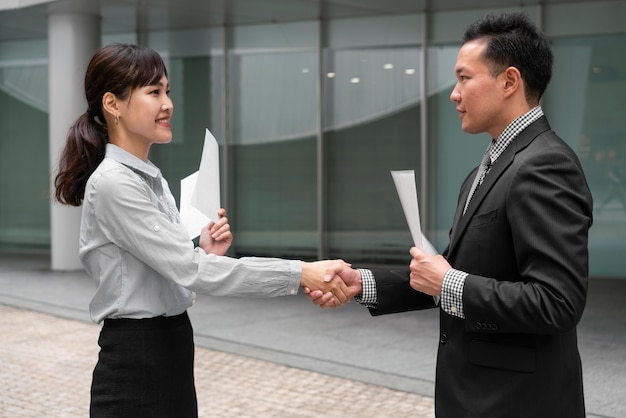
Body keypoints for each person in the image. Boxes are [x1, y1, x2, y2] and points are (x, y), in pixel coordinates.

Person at [309, 11, 592, 417]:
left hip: (518, 402)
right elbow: (455, 268)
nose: (453, 94)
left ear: (509, 81)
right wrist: (361, 284)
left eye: (464, 78)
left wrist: (449, 283)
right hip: (479, 396)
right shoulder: (485, 170)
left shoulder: (545, 165)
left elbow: (557, 302)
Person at [53, 43, 350, 418]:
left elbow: (175, 271)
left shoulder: (149, 178)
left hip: (170, 347)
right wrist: (300, 272)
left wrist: (205, 252)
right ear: (112, 104)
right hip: (137, 358)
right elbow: (188, 270)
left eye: (167, 91)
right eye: (154, 92)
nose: (167, 104)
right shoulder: (114, 182)